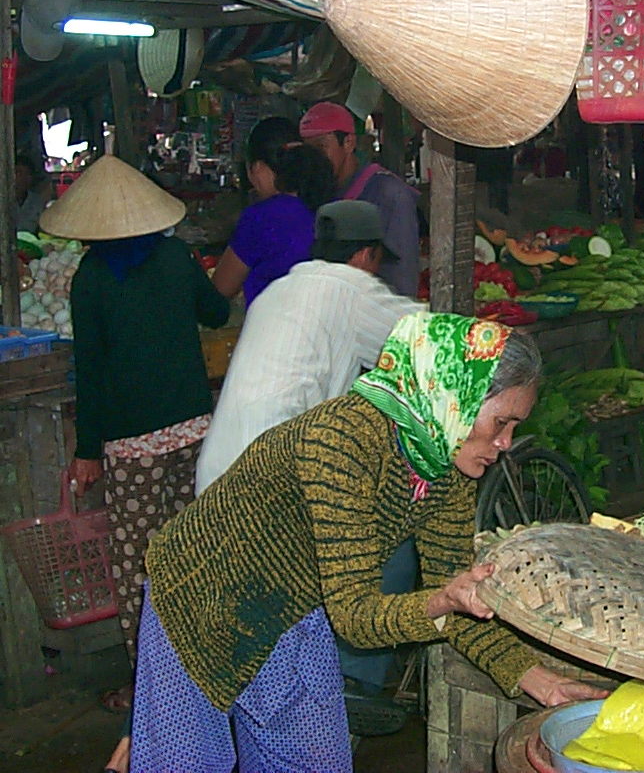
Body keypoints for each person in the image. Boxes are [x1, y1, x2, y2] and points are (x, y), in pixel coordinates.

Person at [129, 312, 605, 772]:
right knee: (187, 763)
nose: (505, 442)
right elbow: (359, 619)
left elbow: (458, 600)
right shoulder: (341, 443)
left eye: (515, 426)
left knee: (316, 764)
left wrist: (539, 681)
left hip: (295, 608)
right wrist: (440, 601)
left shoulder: (443, 464)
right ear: (453, 395)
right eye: (501, 421)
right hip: (197, 600)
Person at [37, 155, 230, 766]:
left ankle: (154, 688)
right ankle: (214, 670)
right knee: (195, 550)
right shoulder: (175, 258)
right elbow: (216, 313)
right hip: (194, 431)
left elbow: (89, 371)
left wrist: (87, 450)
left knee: (138, 567)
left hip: (133, 446)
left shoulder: (91, 278)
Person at [195, 199, 422, 491]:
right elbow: (429, 338)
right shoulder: (351, 288)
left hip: (218, 471)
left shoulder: (278, 289)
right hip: (269, 478)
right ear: (366, 255)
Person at [300, 100, 421, 298]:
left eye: (321, 147)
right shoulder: (318, 190)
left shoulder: (388, 193)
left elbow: (402, 279)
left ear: (348, 143)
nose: (313, 159)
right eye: (308, 150)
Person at [212, 116, 335, 307]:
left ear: (258, 168)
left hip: (273, 331)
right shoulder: (327, 203)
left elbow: (221, 288)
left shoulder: (261, 217)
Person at [14, 153, 50, 232]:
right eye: (19, 173)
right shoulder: (4, 200)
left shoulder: (37, 202)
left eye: (28, 174)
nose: (23, 178)